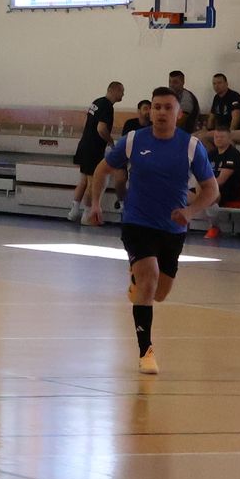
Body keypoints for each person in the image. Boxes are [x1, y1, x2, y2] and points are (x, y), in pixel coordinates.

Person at [86, 86, 217, 377]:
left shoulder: (191, 146)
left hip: (172, 228)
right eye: (156, 107)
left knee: (159, 292)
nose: (160, 112)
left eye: (167, 108)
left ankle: (138, 282)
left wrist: (190, 212)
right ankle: (145, 352)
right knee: (149, 279)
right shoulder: (134, 140)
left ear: (178, 114)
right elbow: (102, 169)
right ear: (149, 110)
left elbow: (211, 189)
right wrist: (95, 203)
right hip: (137, 222)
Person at [68, 81, 123, 223]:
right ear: (114, 90)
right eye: (122, 91)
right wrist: (110, 141)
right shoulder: (107, 107)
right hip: (94, 148)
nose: (123, 95)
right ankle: (87, 216)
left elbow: (87, 122)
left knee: (83, 180)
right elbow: (101, 128)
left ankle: (74, 211)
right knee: (93, 182)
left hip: (84, 144)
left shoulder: (96, 102)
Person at [206, 127, 240, 205]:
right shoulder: (211, 154)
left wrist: (203, 187)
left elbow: (221, 181)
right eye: (216, 137)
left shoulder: (233, 154)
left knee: (207, 194)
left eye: (222, 137)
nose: (218, 139)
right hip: (211, 188)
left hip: (228, 192)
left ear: (229, 138)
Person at [208, 73, 240, 139]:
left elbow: (236, 119)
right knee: (198, 136)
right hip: (220, 132)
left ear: (226, 84)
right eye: (214, 84)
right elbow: (211, 117)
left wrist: (228, 136)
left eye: (219, 83)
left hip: (236, 132)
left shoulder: (234, 96)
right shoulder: (216, 98)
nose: (216, 86)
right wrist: (208, 130)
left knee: (202, 137)